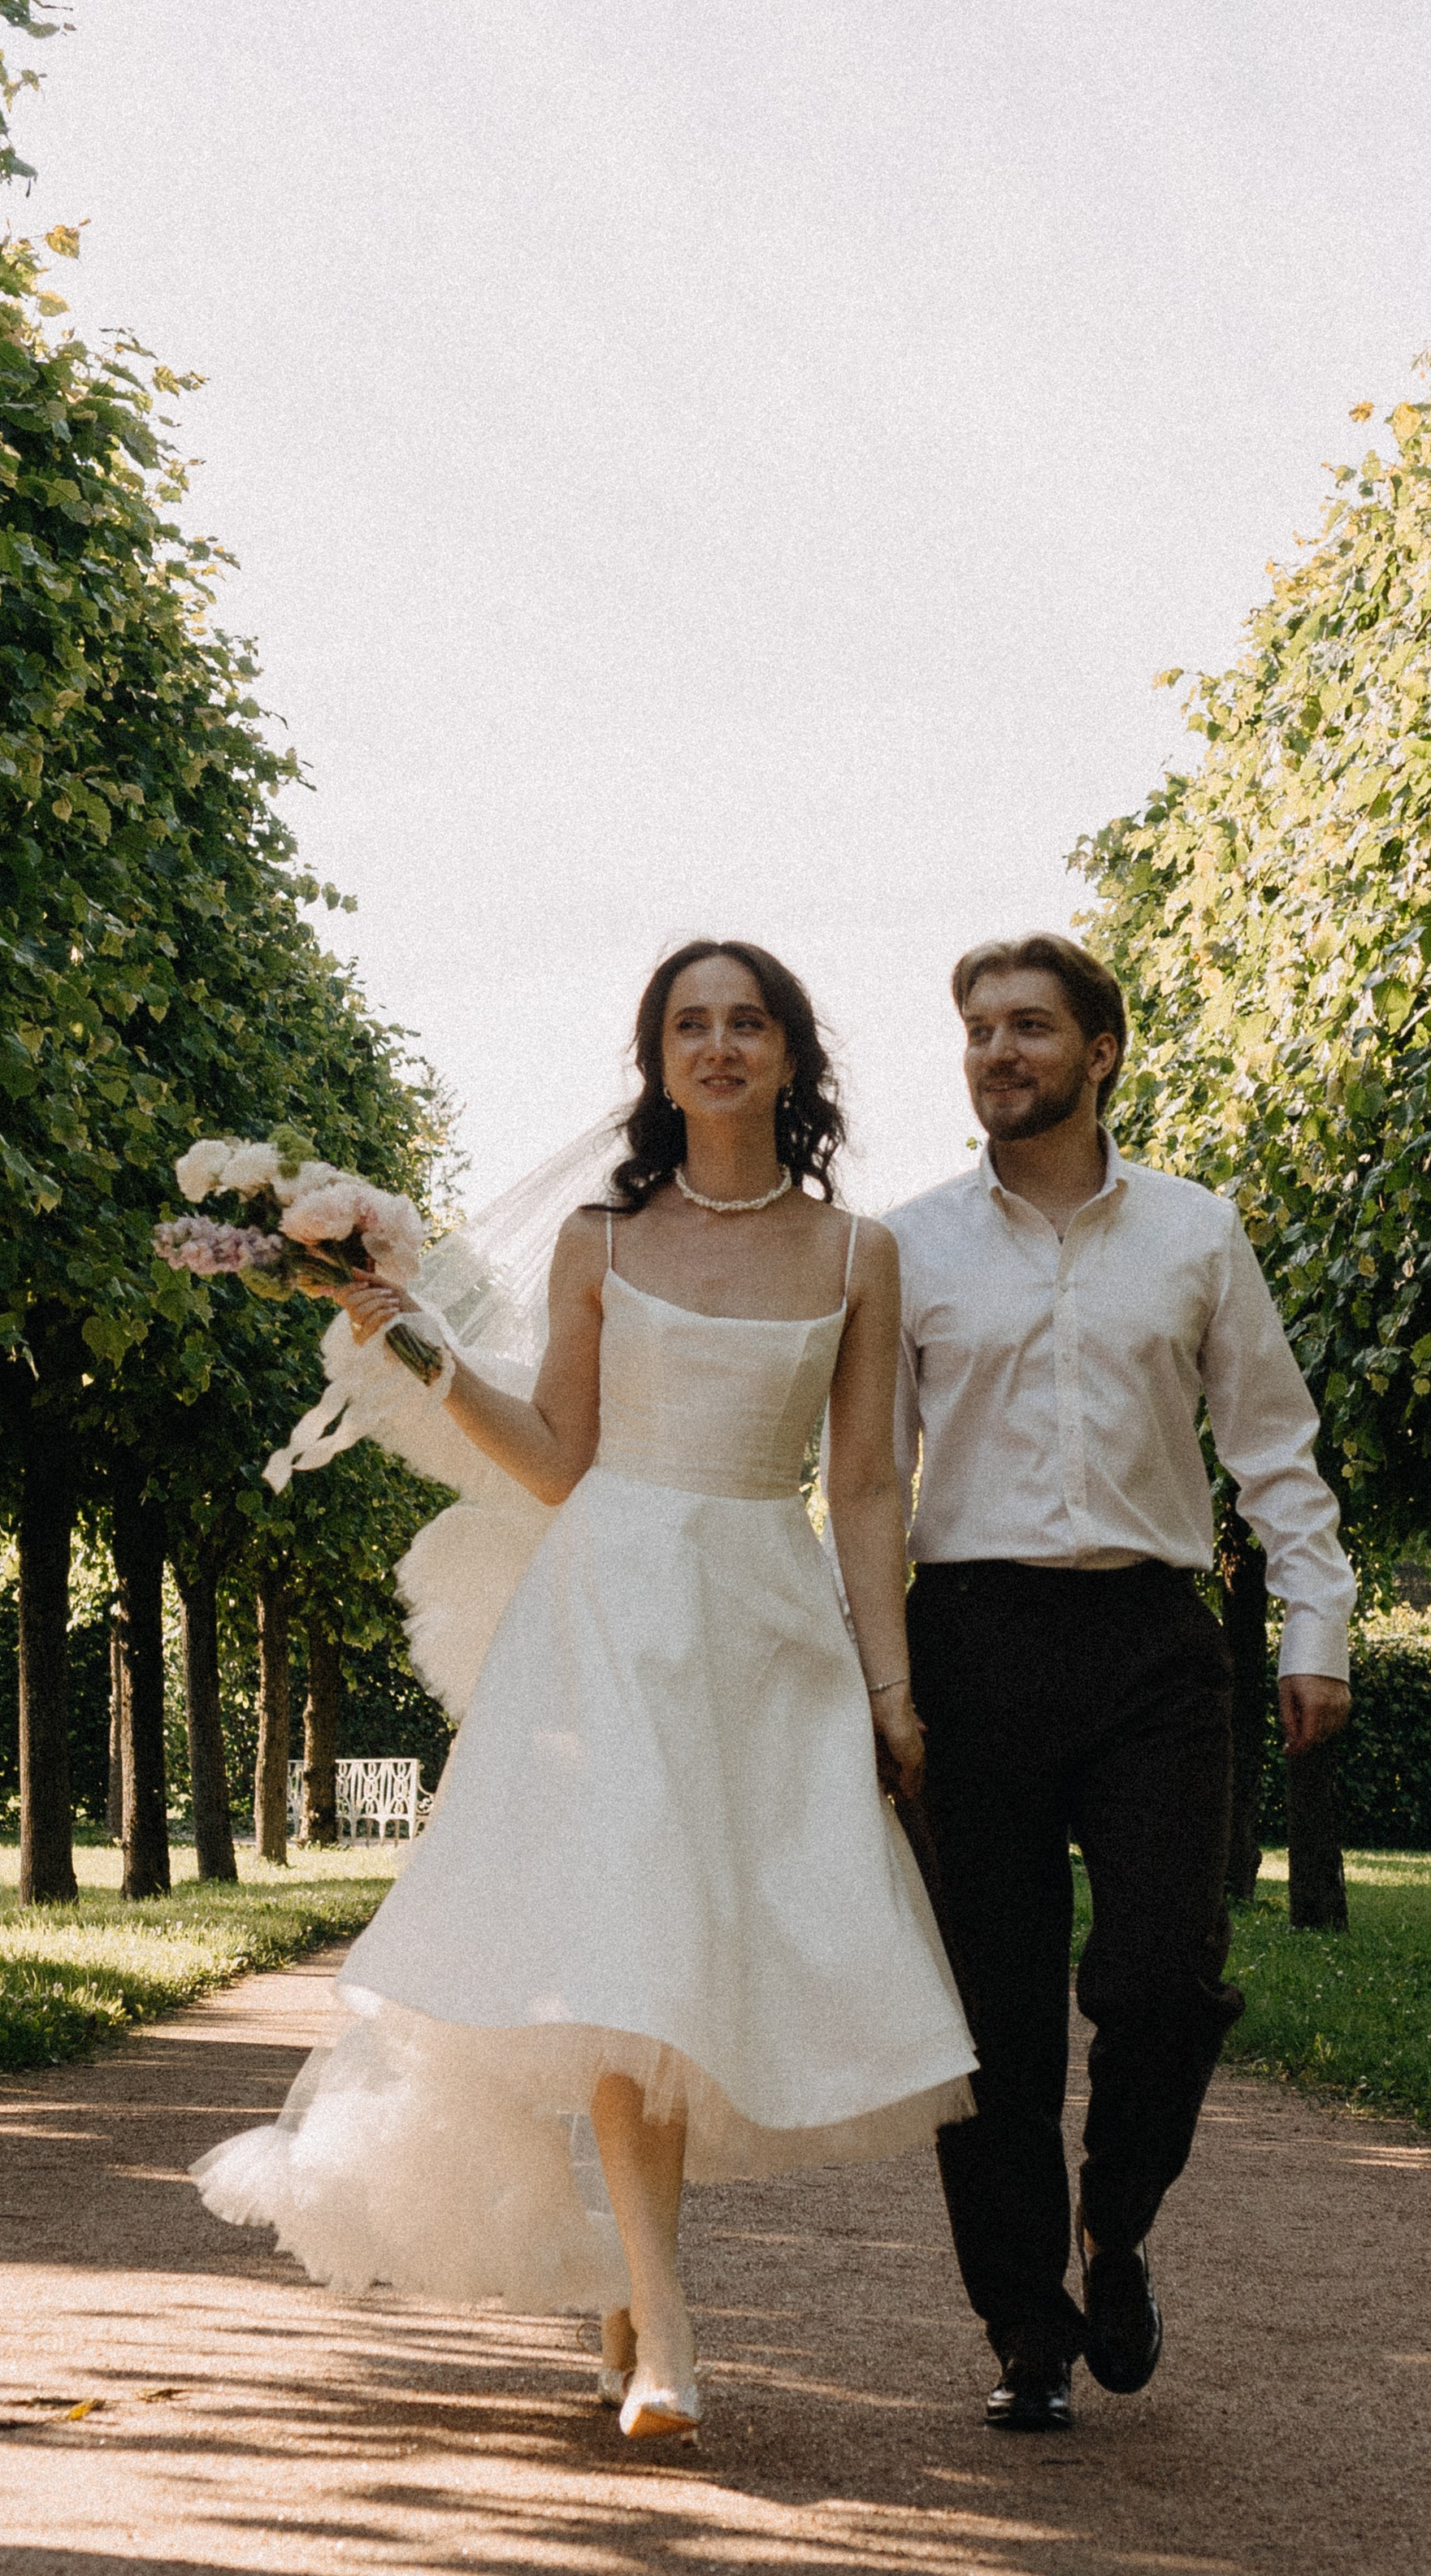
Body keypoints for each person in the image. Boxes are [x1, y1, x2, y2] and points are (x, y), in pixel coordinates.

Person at [193, 941, 974, 2449]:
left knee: (701, 1964)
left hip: (763, 1625)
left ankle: (630, 2291)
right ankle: (668, 2331)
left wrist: (891, 1683)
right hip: (608, 1616)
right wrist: (422, 1354)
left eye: (747, 1023)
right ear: (659, 1060)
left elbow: (870, 1484)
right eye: (690, 1025)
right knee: (627, 1960)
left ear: (791, 1055)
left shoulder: (858, 1255)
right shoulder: (600, 1241)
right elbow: (560, 1458)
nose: (719, 1046)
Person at [887, 934, 1355, 2432]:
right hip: (971, 1643)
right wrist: (877, 1678)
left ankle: (1119, 2222)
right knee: (994, 2017)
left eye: (1030, 1027)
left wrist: (1315, 1629)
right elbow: (868, 1482)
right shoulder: (907, 1248)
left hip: (1154, 1644)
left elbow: (1274, 1444)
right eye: (979, 1030)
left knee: (1164, 1978)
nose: (998, 1052)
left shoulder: (1196, 1232)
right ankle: (1027, 2331)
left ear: (1100, 1053)